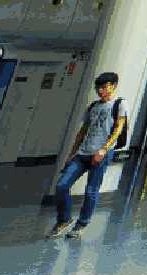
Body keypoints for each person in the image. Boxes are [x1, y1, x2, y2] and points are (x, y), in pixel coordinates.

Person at [49, 72, 127, 239]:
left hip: (101, 154)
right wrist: (72, 153)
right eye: (98, 88)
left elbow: (118, 129)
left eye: (104, 87)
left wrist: (104, 149)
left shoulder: (119, 104)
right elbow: (83, 131)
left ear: (113, 86)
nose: (100, 91)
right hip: (83, 153)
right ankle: (64, 219)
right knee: (61, 186)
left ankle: (82, 223)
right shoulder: (93, 106)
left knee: (91, 190)